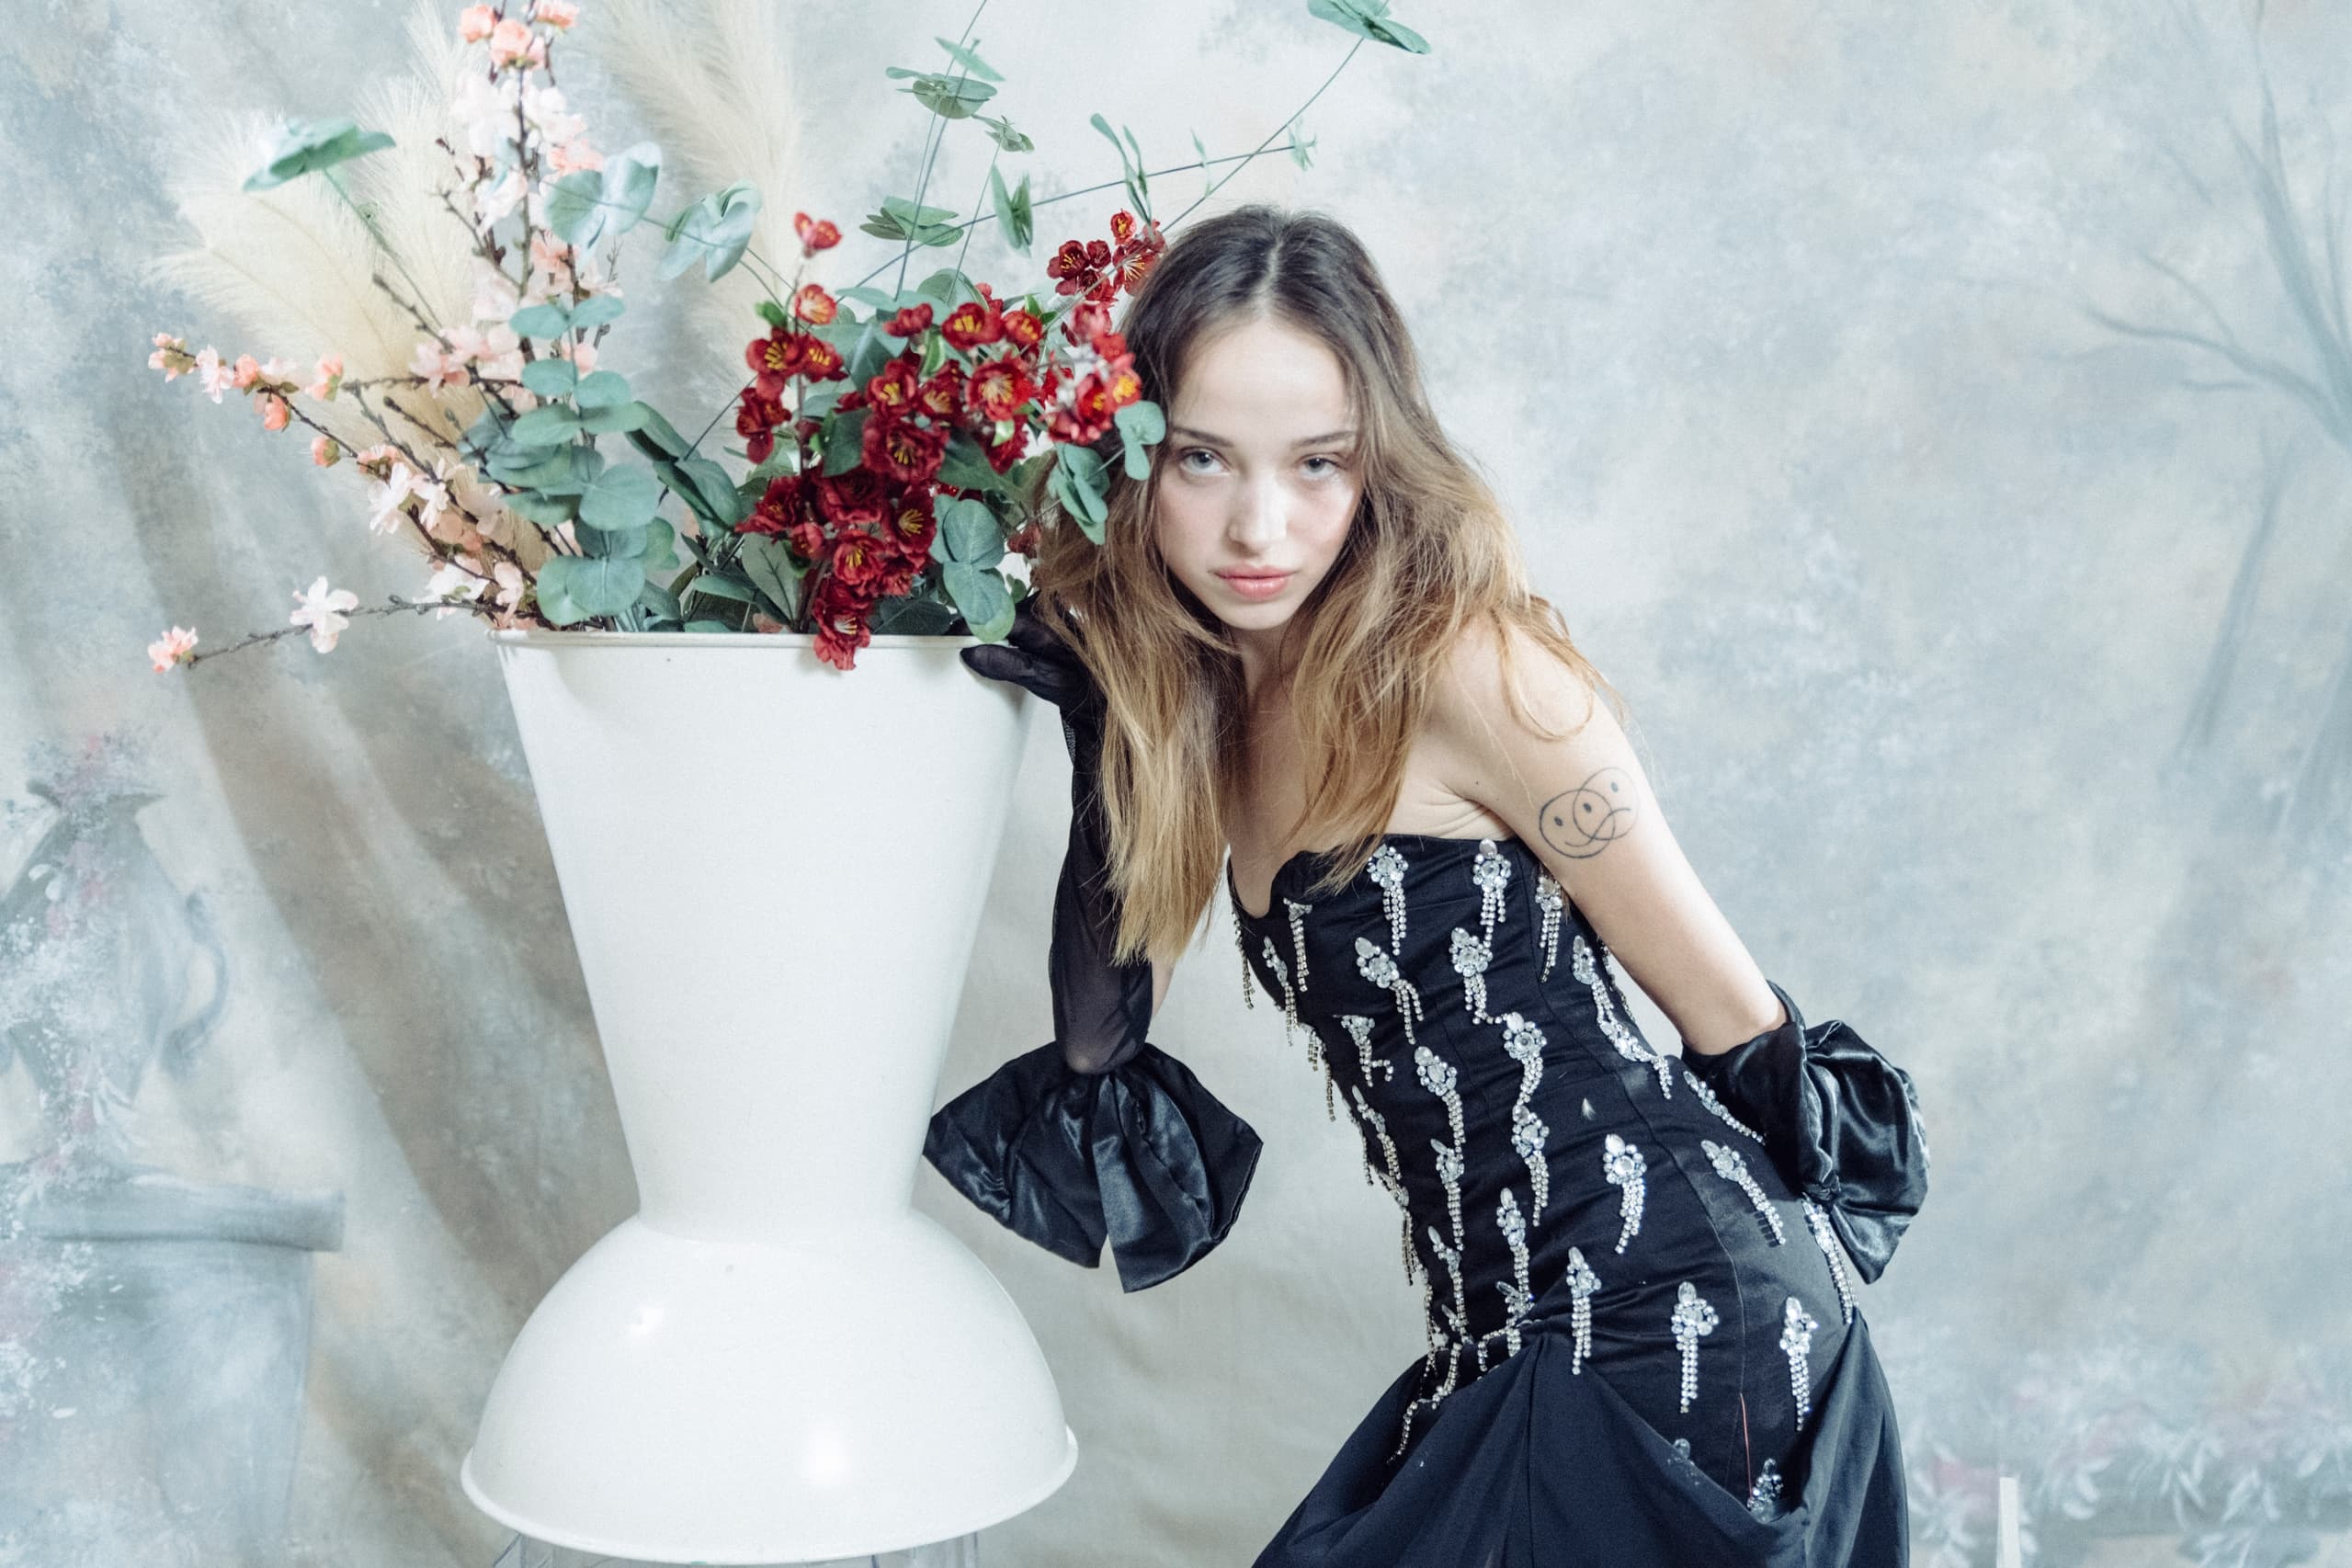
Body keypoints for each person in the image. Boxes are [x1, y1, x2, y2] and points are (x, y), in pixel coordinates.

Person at [924, 202, 1932, 1566]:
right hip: (1508, 1341)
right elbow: (1101, 1041)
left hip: (1672, 1331)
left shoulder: (1468, 669)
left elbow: (1731, 1019)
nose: (1256, 525)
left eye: (1316, 464)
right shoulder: (1217, 700)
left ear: (1377, 461)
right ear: (1134, 455)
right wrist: (1103, 725)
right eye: (1203, 459)